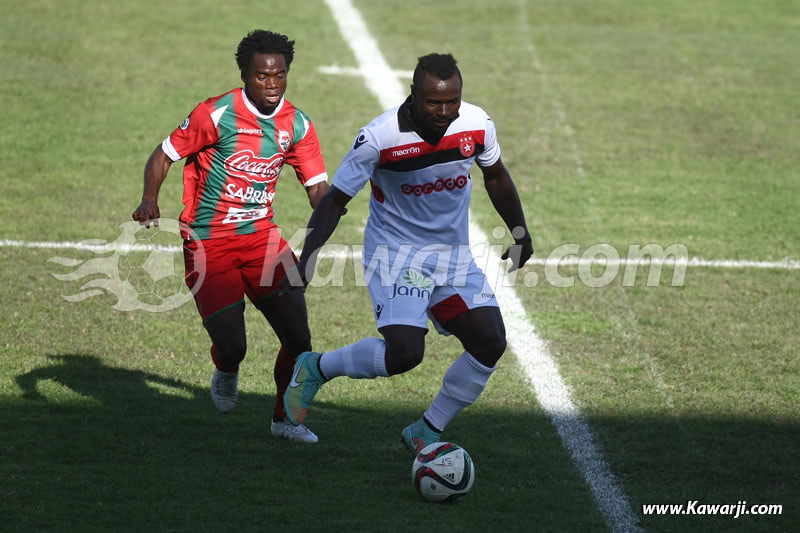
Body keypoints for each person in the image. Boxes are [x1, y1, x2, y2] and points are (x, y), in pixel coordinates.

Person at [282, 53, 533, 453]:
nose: (445, 111)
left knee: (490, 342)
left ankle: (426, 431)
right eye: (435, 102)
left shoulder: (476, 124)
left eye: (453, 101)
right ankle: (315, 368)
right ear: (413, 95)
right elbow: (333, 201)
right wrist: (307, 257)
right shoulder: (380, 138)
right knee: (404, 354)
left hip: (453, 257)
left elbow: (497, 176)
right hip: (398, 255)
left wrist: (520, 231)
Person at [132, 30, 329, 443]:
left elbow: (317, 191)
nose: (272, 84)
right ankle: (225, 366)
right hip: (209, 243)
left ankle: (284, 419)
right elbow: (164, 154)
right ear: (245, 74)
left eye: (279, 75)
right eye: (262, 76)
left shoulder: (297, 124)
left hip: (262, 238)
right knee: (233, 345)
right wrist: (150, 198)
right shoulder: (215, 113)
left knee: (299, 338)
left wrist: (333, 210)